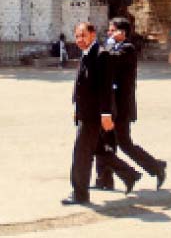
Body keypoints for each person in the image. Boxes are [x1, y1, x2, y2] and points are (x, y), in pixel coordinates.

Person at [62, 22, 142, 206]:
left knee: (81, 153)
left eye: (83, 35)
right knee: (99, 150)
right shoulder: (87, 54)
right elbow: (83, 86)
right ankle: (129, 175)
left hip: (95, 115)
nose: (80, 40)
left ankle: (80, 193)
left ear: (92, 35)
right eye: (77, 36)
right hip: (86, 113)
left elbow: (105, 88)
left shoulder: (101, 55)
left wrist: (106, 114)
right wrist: (78, 110)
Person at [101, 17, 167, 190]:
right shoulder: (114, 47)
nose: (109, 33)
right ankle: (104, 179)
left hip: (122, 107)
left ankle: (156, 167)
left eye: (112, 30)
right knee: (105, 142)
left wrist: (106, 45)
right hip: (110, 105)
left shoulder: (127, 49)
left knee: (124, 143)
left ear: (121, 33)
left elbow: (109, 59)